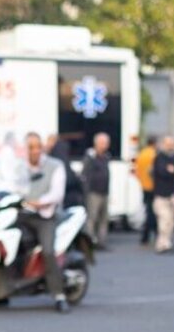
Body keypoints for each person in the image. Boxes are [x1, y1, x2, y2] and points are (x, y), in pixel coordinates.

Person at [19, 132, 69, 313]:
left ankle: (58, 294)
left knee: (48, 251)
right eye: (30, 147)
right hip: (21, 213)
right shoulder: (19, 167)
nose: (34, 151)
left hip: (45, 215)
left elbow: (56, 194)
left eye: (37, 147)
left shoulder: (55, 166)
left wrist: (38, 202)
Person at [151, 136, 174, 254]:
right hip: (161, 194)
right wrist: (169, 170)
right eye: (168, 143)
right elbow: (162, 172)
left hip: (173, 194)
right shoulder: (159, 158)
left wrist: (172, 170)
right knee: (164, 219)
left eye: (172, 143)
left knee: (172, 221)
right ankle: (162, 244)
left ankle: (167, 242)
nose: (170, 146)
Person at [81, 132, 112, 249]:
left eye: (106, 143)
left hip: (104, 192)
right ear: (96, 143)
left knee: (104, 219)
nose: (105, 145)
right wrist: (87, 191)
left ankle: (101, 242)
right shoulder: (90, 157)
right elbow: (85, 175)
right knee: (92, 218)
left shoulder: (106, 156)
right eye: (103, 143)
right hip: (93, 192)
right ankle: (89, 243)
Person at [134, 137, 157, 244]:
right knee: (152, 213)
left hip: (144, 186)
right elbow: (153, 172)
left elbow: (137, 172)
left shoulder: (141, 154)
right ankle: (152, 234)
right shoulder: (153, 155)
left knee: (148, 211)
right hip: (153, 187)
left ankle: (146, 236)